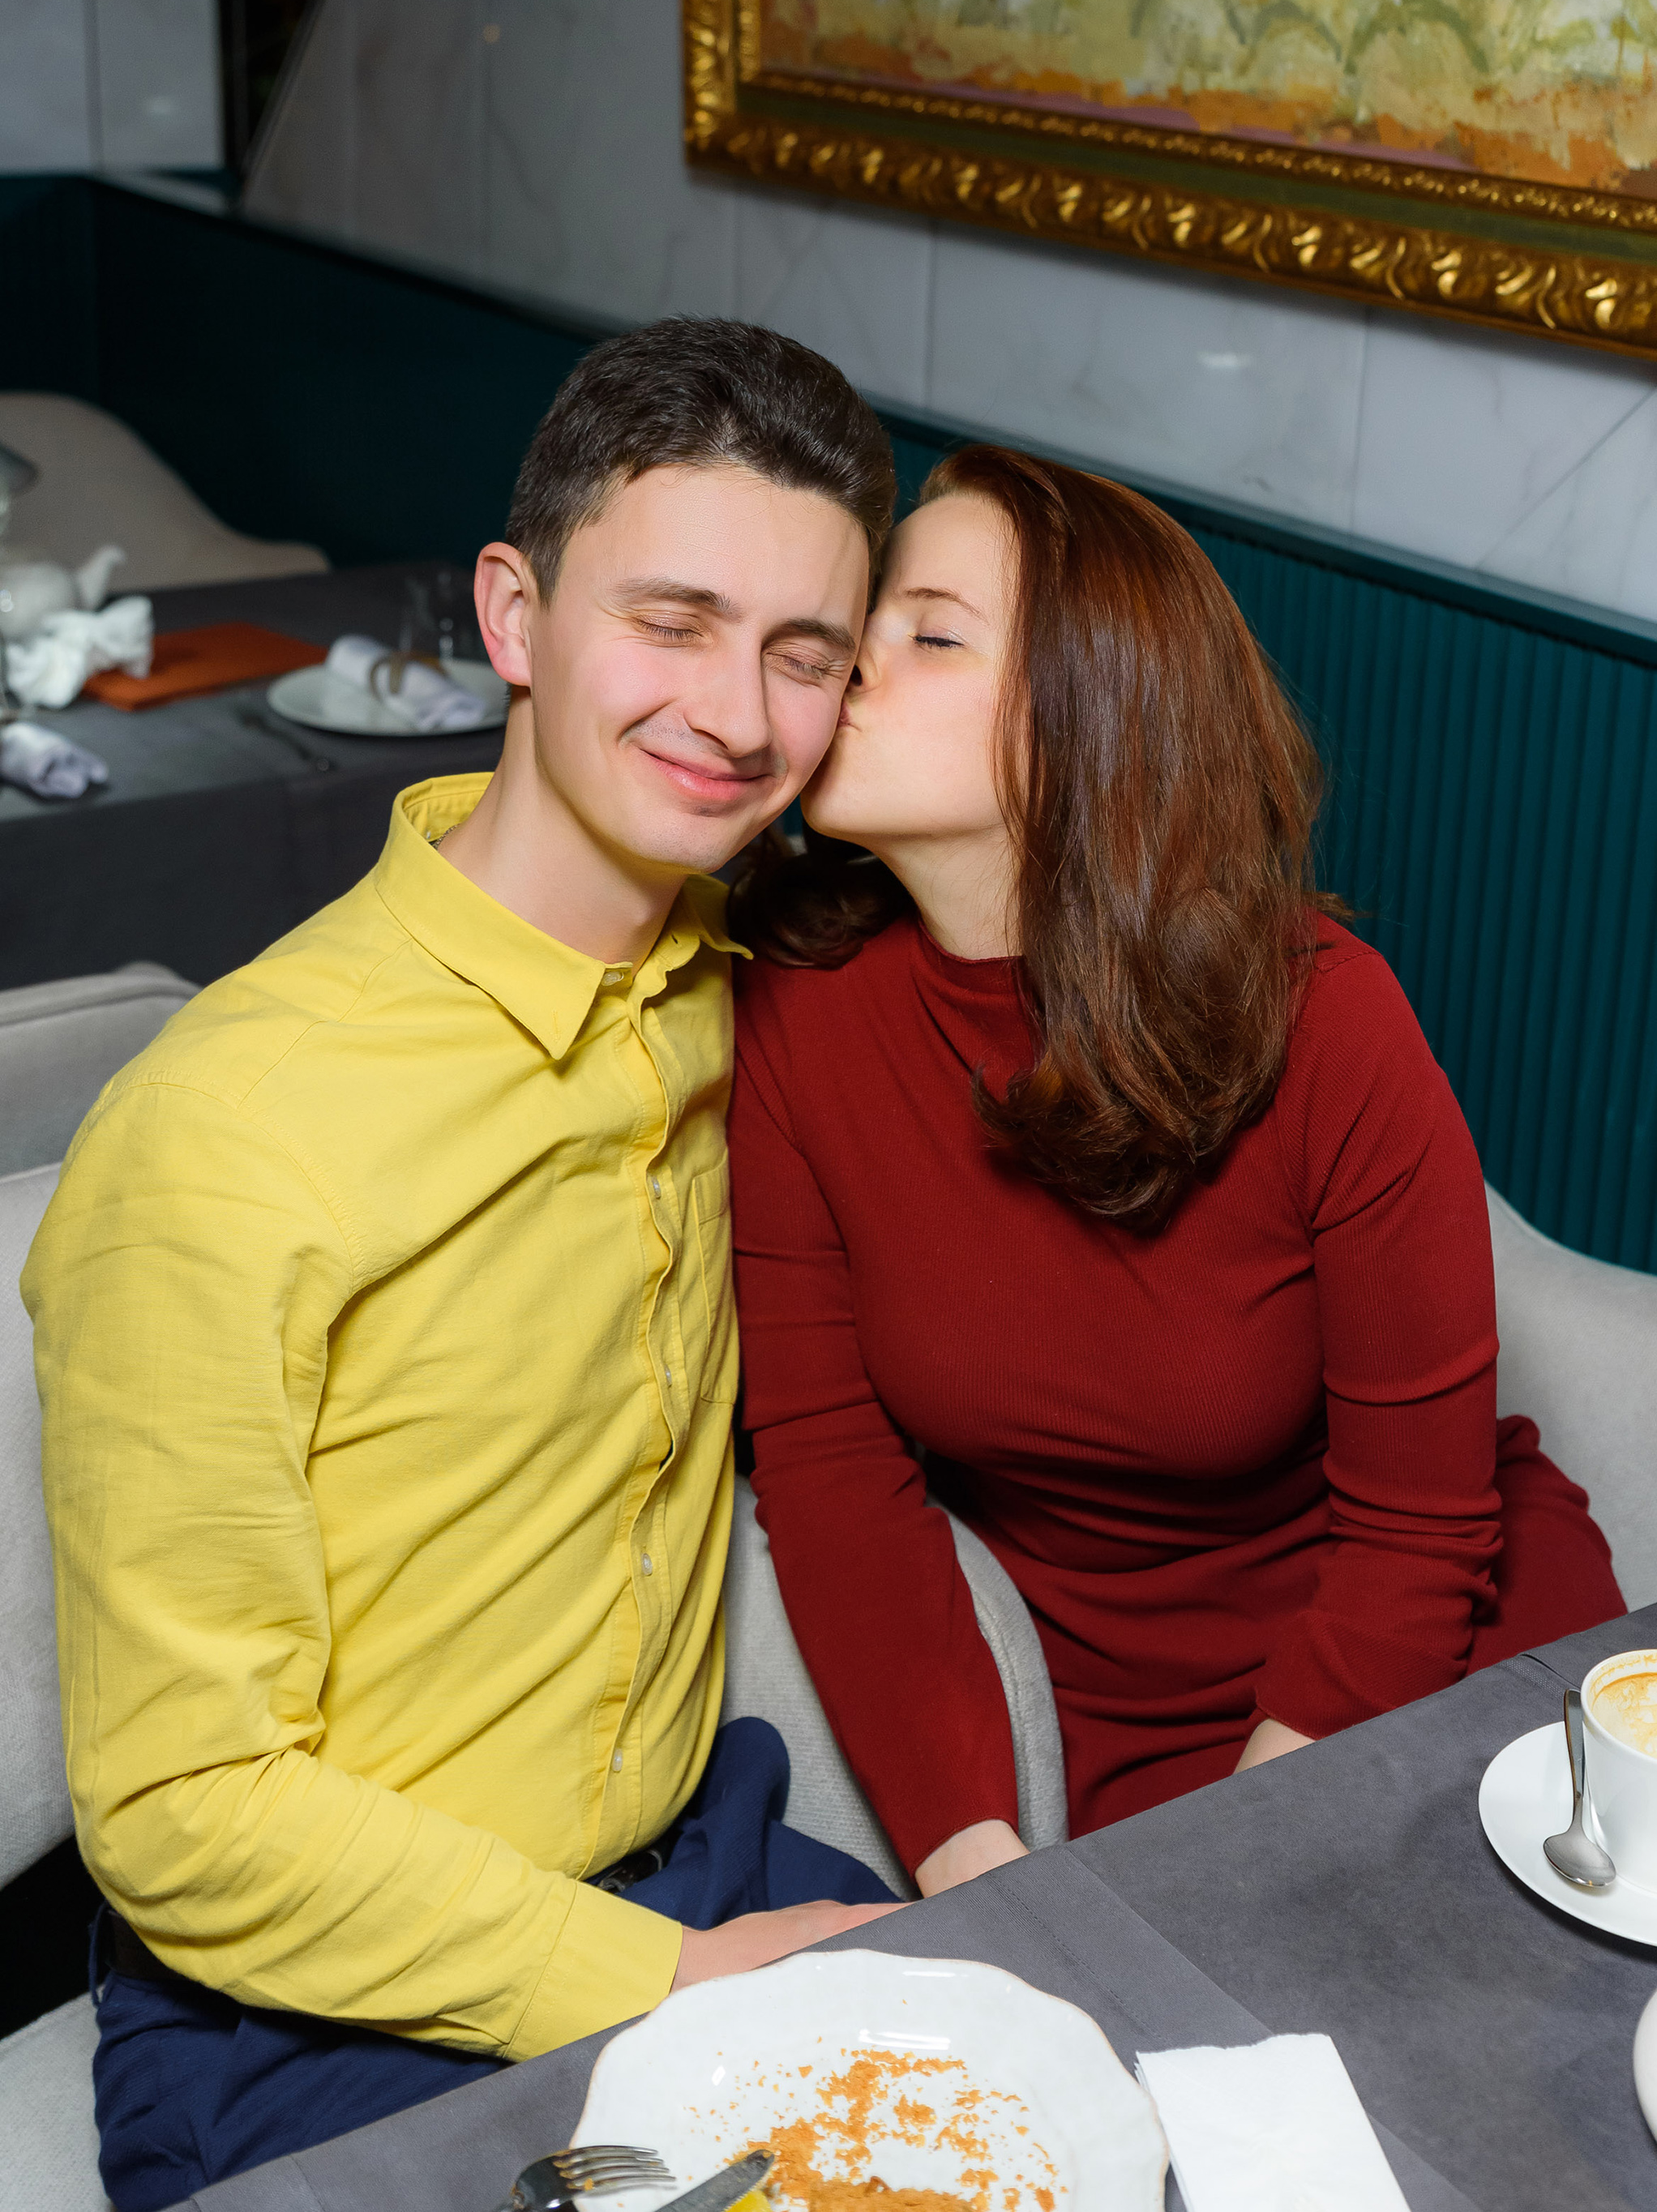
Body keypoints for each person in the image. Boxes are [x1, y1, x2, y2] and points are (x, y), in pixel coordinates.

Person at [26, 317, 905, 2212]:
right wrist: (671, 1980)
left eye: (802, 652)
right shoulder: (229, 1134)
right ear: (513, 616)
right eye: (670, 621)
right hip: (305, 2000)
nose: (737, 715)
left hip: (691, 1846)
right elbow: (183, 1814)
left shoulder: (745, 990)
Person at [728, 443, 1623, 1900]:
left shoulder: (1324, 1015)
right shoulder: (795, 1019)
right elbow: (834, 1482)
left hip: (1424, 1636)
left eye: (931, 634)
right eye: (866, 616)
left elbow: (1418, 1529)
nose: (846, 661)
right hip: (1086, 1701)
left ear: (1092, 718)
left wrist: (1256, 1845)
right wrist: (975, 1876)